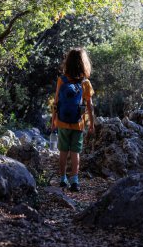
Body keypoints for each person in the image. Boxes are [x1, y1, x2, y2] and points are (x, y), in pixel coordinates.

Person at [51, 47, 95, 192]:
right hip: (78, 123)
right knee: (75, 152)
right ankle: (74, 180)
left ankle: (63, 178)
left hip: (62, 122)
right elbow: (90, 105)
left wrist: (53, 121)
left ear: (67, 63)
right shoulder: (85, 83)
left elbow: (56, 103)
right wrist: (92, 125)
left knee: (63, 151)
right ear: (84, 64)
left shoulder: (61, 80)